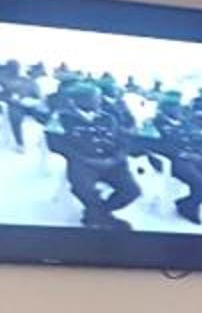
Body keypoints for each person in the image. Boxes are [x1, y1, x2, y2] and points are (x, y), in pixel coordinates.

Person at [49, 86, 140, 231]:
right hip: (83, 163)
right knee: (84, 190)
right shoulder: (61, 118)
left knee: (132, 191)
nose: (99, 101)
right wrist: (84, 159)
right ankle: (103, 218)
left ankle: (96, 215)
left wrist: (115, 159)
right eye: (95, 98)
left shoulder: (108, 118)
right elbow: (55, 144)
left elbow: (123, 142)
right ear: (77, 100)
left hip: (112, 163)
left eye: (99, 97)